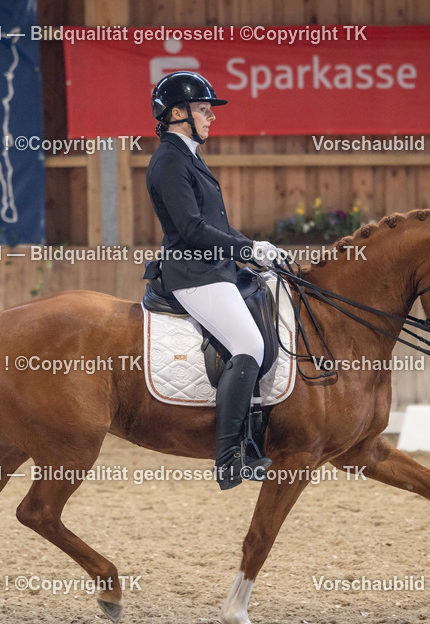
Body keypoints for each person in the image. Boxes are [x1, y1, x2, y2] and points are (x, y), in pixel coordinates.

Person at [144, 71, 281, 490]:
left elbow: (213, 223)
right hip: (193, 272)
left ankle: (254, 439)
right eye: (204, 109)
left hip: (214, 268)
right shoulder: (169, 159)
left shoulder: (187, 156)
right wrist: (245, 249)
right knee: (249, 344)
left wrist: (251, 248)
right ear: (178, 113)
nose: (211, 117)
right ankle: (229, 459)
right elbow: (190, 228)